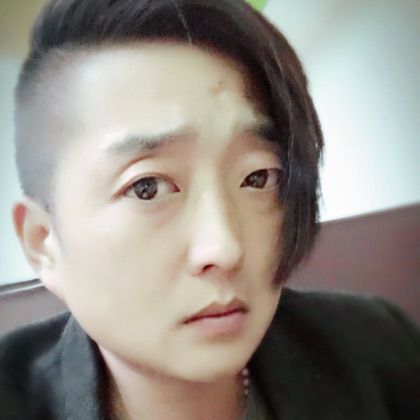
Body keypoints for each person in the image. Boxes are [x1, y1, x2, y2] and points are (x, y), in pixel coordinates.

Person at [0, 0, 419, 419]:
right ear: (43, 242)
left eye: (258, 177)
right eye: (147, 188)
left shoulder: (378, 351)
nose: (224, 249)